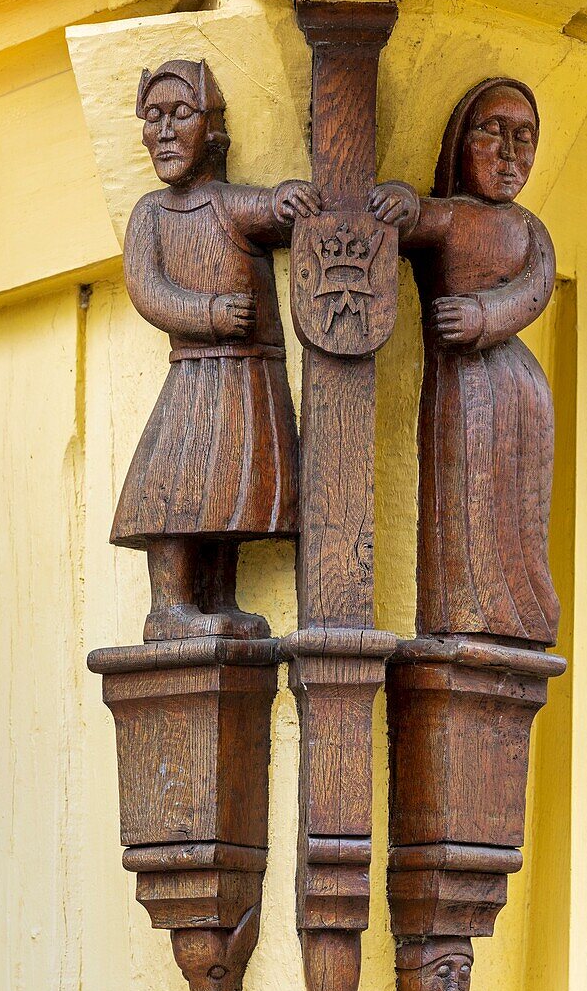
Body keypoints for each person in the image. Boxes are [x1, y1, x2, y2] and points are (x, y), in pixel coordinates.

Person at [111, 59, 320, 640]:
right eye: (152, 117)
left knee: (233, 485)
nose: (165, 130)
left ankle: (219, 598)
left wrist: (292, 199)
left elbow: (270, 208)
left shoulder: (227, 203)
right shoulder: (152, 213)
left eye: (182, 113)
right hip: (195, 374)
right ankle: (170, 605)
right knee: (176, 483)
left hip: (248, 375)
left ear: (215, 129)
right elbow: (148, 291)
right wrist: (208, 314)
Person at [370, 78, 559, 645]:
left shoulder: (530, 229)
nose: (509, 154)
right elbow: (414, 218)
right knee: (466, 485)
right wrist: (402, 201)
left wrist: (481, 316)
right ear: (460, 143)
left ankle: (522, 608)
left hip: (518, 385)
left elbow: (535, 288)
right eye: (492, 133)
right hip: (464, 384)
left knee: (518, 498)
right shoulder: (453, 216)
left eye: (523, 137)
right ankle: (467, 605)